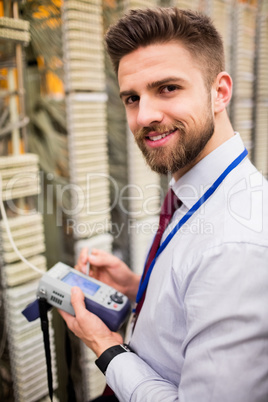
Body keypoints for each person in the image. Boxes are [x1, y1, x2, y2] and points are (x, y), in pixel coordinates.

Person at [59, 7, 268, 402]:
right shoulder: (193, 193)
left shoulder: (238, 246)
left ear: (219, 91)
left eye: (167, 88)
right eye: (132, 98)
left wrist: (106, 347)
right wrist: (143, 291)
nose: (145, 116)